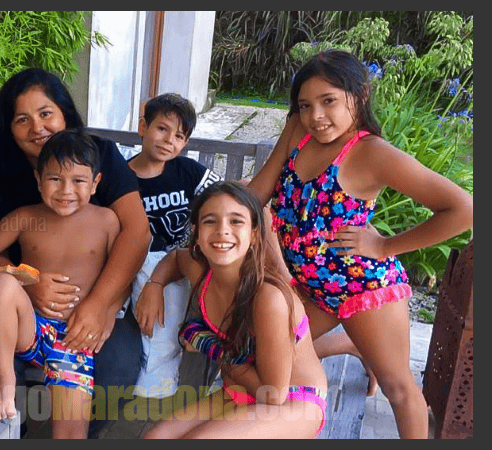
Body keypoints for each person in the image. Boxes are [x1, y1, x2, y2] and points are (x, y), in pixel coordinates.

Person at [247, 49, 473, 438]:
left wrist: (387, 246)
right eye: (305, 105)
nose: (316, 116)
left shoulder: (372, 153)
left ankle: (365, 347)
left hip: (362, 288)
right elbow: (255, 196)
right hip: (305, 285)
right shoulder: (298, 133)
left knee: (399, 388)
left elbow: (462, 208)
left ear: (360, 95)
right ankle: (353, 346)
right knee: (260, 359)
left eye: (329, 101)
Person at [0, 67, 151, 437]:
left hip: (78, 330)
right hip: (26, 317)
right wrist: (27, 279)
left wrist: (101, 305)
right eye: (23, 119)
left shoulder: (100, 162)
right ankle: (1, 419)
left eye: (46, 113)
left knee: (103, 385)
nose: (37, 126)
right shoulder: (5, 185)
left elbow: (136, 238)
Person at [141, 181, 328, 438]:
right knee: (155, 437)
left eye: (236, 221)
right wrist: (154, 285)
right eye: (210, 221)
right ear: (196, 233)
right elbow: (176, 258)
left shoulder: (268, 298)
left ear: (253, 233)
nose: (222, 231)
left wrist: (211, 346)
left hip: (293, 401)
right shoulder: (202, 274)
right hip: (239, 390)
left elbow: (271, 395)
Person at [0, 129, 120, 438]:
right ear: (38, 179)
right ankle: (5, 387)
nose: (66, 190)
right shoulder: (26, 216)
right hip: (28, 325)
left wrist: (108, 311)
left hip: (74, 338)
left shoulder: (108, 221)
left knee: (70, 433)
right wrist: (26, 277)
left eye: (79, 181)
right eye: (55, 179)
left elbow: (121, 274)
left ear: (95, 183)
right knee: (0, 285)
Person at [128, 93, 221, 399]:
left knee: (192, 304)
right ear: (143, 127)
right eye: (162, 129)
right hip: (138, 265)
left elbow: (222, 196)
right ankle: (154, 373)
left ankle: (210, 345)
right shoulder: (122, 177)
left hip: (184, 263)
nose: (169, 140)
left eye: (179, 136)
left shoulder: (187, 171)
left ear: (185, 144)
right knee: (154, 326)